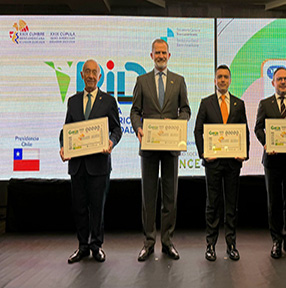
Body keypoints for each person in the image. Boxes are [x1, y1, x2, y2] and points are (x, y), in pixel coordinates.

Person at [130, 39, 191, 261]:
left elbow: (186, 110)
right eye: (157, 53)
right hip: (148, 146)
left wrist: (177, 123)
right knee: (149, 197)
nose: (161, 56)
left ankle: (167, 242)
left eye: (164, 52)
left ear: (169, 55)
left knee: (170, 197)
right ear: (151, 55)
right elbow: (135, 110)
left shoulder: (179, 81)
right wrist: (138, 127)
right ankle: (148, 242)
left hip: (171, 147)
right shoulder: (142, 80)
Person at [59, 59, 122, 263]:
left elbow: (117, 130)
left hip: (99, 165)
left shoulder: (109, 101)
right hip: (77, 165)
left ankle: (96, 246)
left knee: (97, 208)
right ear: (82, 75)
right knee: (79, 207)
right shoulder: (73, 101)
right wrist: (63, 146)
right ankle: (82, 246)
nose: (91, 75)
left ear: (100, 76)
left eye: (95, 72)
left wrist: (111, 143)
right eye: (87, 71)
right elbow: (66, 130)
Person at [194, 65, 250, 261]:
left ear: (230, 80)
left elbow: (245, 131)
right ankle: (210, 245)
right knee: (212, 204)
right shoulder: (206, 103)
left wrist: (244, 153)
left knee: (232, 206)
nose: (223, 80)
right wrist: (203, 154)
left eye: (226, 77)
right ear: (215, 80)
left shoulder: (239, 104)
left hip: (233, 164)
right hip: (213, 163)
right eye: (220, 77)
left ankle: (231, 244)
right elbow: (197, 131)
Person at [254, 67, 286, 259]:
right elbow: (258, 128)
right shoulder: (265, 104)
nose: (283, 82)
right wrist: (266, 143)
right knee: (274, 202)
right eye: (279, 79)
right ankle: (276, 240)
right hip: (272, 160)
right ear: (273, 82)